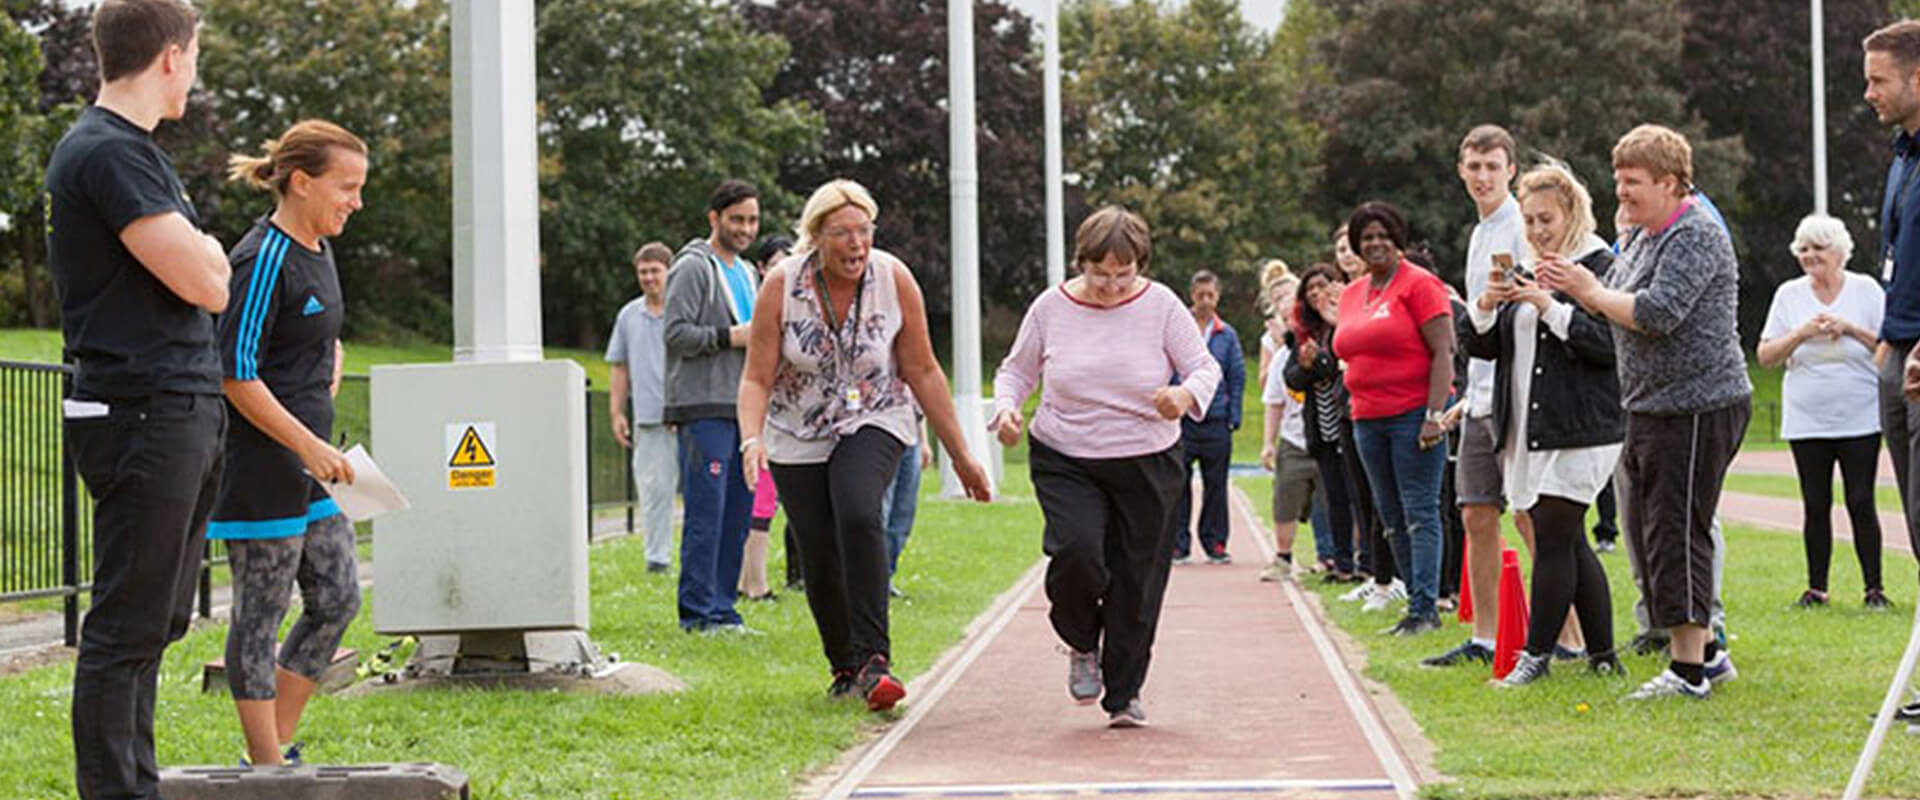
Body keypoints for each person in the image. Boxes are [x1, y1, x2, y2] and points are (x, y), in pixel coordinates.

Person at [47, 3, 230, 796]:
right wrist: (209, 255)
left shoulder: (136, 155)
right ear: (169, 56)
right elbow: (205, 280)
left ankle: (137, 784)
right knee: (125, 628)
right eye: (194, 55)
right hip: (144, 412)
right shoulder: (107, 153)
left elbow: (204, 272)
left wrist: (207, 258)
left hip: (176, 407)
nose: (195, 70)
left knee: (160, 620)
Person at [738, 179, 992, 711]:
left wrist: (963, 457)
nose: (856, 244)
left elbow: (922, 369)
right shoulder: (782, 285)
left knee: (857, 510)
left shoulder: (893, 277)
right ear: (816, 237)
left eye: (864, 231)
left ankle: (877, 661)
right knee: (818, 549)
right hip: (797, 429)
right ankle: (844, 665)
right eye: (842, 234)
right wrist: (751, 438)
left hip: (875, 413)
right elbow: (757, 376)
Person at [1538, 124, 1751, 701]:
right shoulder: (1640, 235)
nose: (1622, 194)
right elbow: (1618, 299)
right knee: (1648, 532)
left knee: (1677, 533)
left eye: (1632, 183)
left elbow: (1656, 312)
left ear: (1670, 182)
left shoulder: (1696, 235)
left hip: (1697, 404)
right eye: (1619, 181)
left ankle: (1687, 673)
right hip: (1650, 405)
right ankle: (1708, 654)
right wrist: (1574, 286)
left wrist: (1586, 290)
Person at [990, 205, 1220, 728]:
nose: (1112, 285)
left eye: (1124, 274)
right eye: (1100, 273)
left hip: (1148, 456)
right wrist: (1006, 408)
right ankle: (1080, 640)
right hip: (1067, 454)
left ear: (1140, 265)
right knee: (1077, 554)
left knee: (1137, 580)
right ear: (1081, 262)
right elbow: (1016, 371)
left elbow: (1203, 368)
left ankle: (1124, 692)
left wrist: (1184, 396)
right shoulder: (1052, 307)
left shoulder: (1161, 306)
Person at [206, 120, 368, 765]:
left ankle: (276, 747)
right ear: (301, 183)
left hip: (310, 462)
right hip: (263, 468)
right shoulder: (260, 258)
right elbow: (233, 375)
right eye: (346, 187)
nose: (355, 201)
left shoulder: (320, 249)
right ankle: (267, 762)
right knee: (261, 612)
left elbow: (303, 333)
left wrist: (328, 356)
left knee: (337, 598)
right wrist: (306, 444)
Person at [1464, 162, 1625, 686]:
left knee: (1554, 538)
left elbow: (1608, 347)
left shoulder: (1598, 265)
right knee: (1570, 540)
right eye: (1530, 221)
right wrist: (1488, 305)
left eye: (1546, 220)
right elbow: (1485, 346)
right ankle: (1603, 655)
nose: (1536, 231)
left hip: (1580, 427)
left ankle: (1535, 656)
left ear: (1572, 213)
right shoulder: (1531, 267)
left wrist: (1550, 306)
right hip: (1528, 427)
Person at [1423, 125, 1538, 669]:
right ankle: (1487, 638)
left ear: (1510, 170)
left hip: (1518, 395)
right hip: (1480, 395)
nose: (1483, 177)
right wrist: (1468, 395)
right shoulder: (1478, 234)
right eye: (1474, 167)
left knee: (1532, 517)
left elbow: (1521, 305)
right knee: (1475, 513)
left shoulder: (1520, 226)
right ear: (1461, 170)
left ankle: (1564, 636)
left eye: (1493, 166)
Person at [1333, 202, 1454, 637]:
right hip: (1367, 418)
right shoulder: (1351, 293)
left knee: (1419, 510)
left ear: (1398, 239)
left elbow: (1444, 351)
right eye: (1366, 238)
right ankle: (1413, 600)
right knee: (1389, 515)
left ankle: (1426, 608)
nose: (1375, 243)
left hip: (1413, 415)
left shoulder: (1420, 285)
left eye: (1383, 235)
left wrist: (1434, 415)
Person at [1756, 214, 1889, 610]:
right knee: (1815, 502)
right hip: (1807, 417)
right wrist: (1802, 333)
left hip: (1859, 414)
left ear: (1840, 253)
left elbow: (1887, 348)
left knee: (1861, 499)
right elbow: (1765, 356)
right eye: (1804, 249)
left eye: (1819, 248)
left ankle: (1874, 589)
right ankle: (1817, 588)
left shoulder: (1866, 290)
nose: (1810, 256)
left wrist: (1848, 328)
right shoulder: (1789, 295)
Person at [663, 179, 761, 634]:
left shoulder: (748, 272)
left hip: (742, 408)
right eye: (736, 219)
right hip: (703, 407)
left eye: (752, 220)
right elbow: (676, 334)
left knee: (738, 514)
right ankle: (697, 614)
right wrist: (728, 337)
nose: (745, 228)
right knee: (707, 513)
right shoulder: (691, 267)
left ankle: (725, 609)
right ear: (714, 218)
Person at [1286, 264, 1364, 584]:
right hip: (1321, 427)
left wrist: (1316, 362)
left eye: (1322, 286)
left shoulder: (1346, 323)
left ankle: (1368, 562)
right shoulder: (1302, 334)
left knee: (1358, 495)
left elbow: (1338, 367)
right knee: (1334, 497)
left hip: (1349, 420)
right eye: (1310, 289)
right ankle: (1341, 562)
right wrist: (1307, 365)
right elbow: (1292, 378)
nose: (1317, 293)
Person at [609, 241, 678, 575]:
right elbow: (619, 366)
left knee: (703, 492)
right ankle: (658, 559)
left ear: (669, 271)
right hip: (649, 419)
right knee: (654, 492)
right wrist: (616, 412)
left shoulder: (683, 311)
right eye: (643, 272)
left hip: (689, 416)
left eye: (655, 271)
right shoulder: (628, 315)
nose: (649, 278)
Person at [1170, 270, 1245, 565]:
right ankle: (1178, 544)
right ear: (1192, 295)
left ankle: (1215, 542)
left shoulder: (1226, 334)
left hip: (1216, 421)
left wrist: (1233, 415)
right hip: (1182, 421)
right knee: (1178, 485)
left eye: (1210, 295)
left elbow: (1236, 376)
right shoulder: (1177, 328)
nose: (1204, 301)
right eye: (1200, 295)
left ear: (1218, 296)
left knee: (1216, 484)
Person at [741, 235, 795, 600]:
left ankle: (752, 581)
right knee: (757, 499)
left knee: (767, 500)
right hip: (753, 416)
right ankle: (753, 584)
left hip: (782, 417)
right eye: (774, 264)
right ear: (762, 268)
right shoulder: (756, 304)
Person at [1256, 263, 1317, 581]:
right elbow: (1273, 401)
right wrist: (1268, 442)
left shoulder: (1323, 341)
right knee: (1286, 497)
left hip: (1325, 437)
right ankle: (1283, 557)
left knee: (1330, 503)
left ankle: (1335, 559)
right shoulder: (1280, 356)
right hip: (1294, 438)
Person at [880, 410, 930, 597]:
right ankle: (873, 579)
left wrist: (924, 441)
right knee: (881, 512)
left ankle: (887, 576)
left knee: (903, 513)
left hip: (912, 435)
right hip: (886, 433)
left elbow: (919, 401)